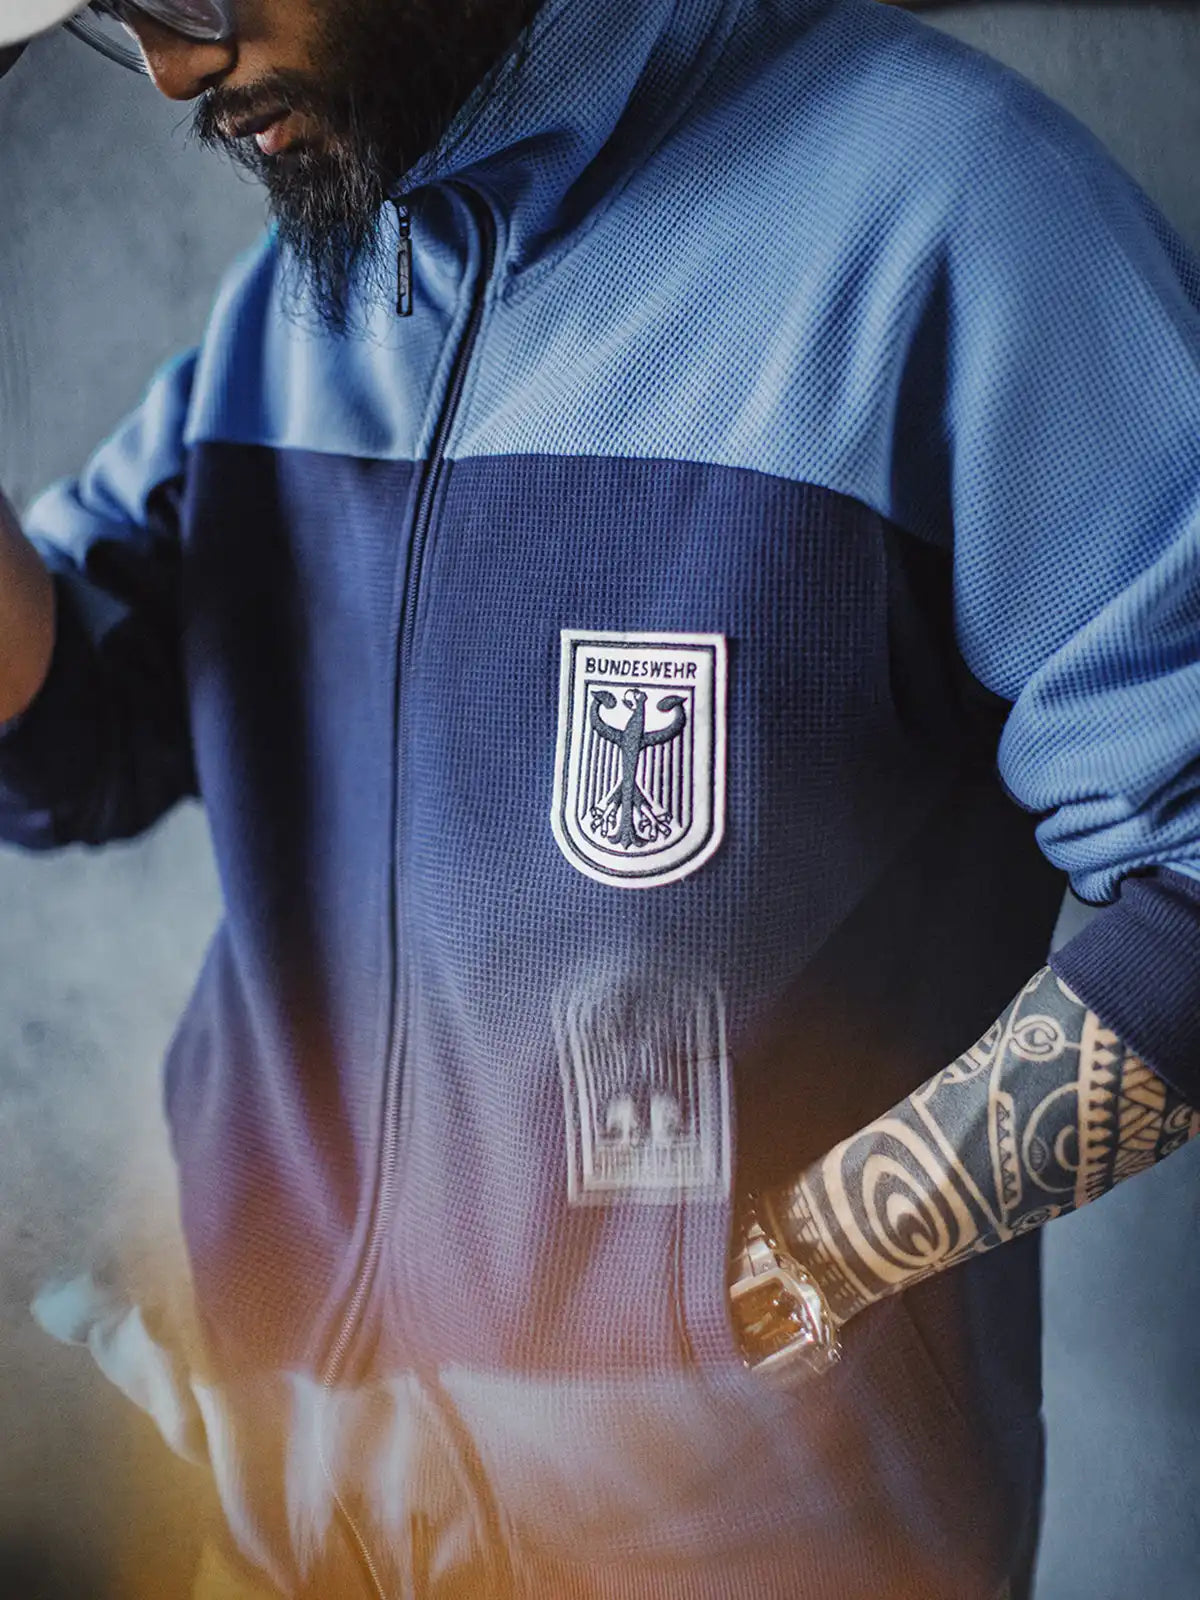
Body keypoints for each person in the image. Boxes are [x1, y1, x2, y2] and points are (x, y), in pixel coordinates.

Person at [1, 1, 1199, 1596]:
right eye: (112, 11)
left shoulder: (956, 219)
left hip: (750, 1554)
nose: (172, 69)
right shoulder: (300, 299)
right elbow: (67, 735)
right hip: (265, 1529)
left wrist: (797, 1263)